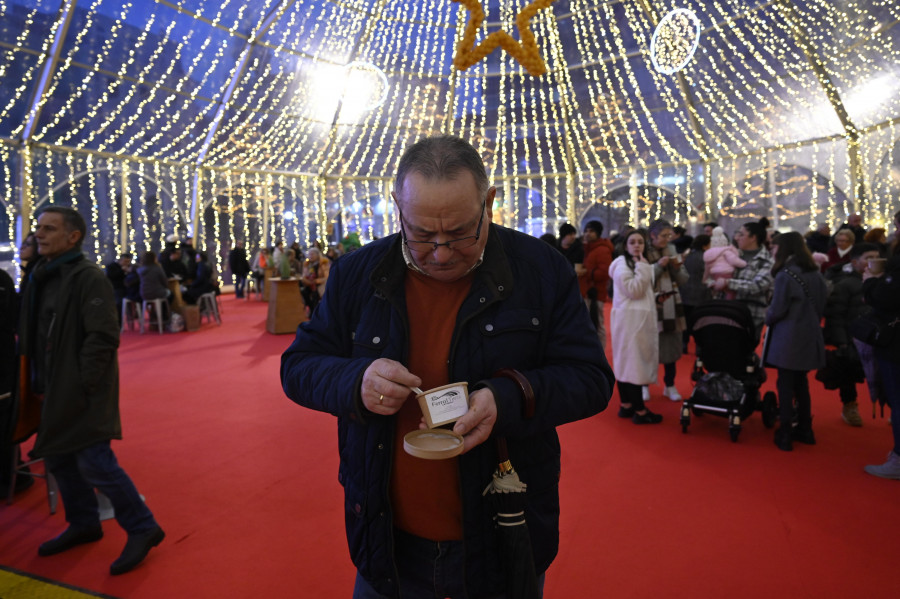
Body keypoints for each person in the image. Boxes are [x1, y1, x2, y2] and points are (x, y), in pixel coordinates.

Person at [280, 135, 613, 598]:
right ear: (397, 206)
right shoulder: (358, 273)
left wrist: (507, 398)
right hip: (386, 540)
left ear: (489, 203)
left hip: (505, 536)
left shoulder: (540, 270)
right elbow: (298, 366)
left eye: (460, 233)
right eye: (421, 234)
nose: (440, 252)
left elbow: (591, 379)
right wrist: (356, 380)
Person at [18, 206, 164, 574]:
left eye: (49, 229)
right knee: (60, 459)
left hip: (82, 388)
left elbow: (102, 337)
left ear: (73, 236)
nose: (39, 234)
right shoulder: (40, 275)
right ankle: (84, 523)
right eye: (39, 228)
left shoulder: (87, 277)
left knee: (94, 462)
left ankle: (143, 527)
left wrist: (84, 384)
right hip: (50, 385)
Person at [763, 231, 828, 452]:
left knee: (785, 384)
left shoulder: (785, 274)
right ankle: (805, 429)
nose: (772, 250)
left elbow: (777, 310)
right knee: (801, 383)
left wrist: (767, 317)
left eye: (774, 246)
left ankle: (785, 433)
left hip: (788, 336)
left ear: (783, 249)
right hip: (810, 333)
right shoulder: (815, 272)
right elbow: (821, 304)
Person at [822, 243, 884, 427]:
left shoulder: (886, 282)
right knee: (849, 375)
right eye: (869, 258)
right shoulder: (846, 284)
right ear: (856, 262)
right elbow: (837, 315)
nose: (874, 261)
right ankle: (850, 406)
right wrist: (841, 340)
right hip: (852, 337)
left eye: (877, 257)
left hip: (879, 337)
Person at [609, 229, 662, 424]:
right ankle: (639, 411)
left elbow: (639, 292)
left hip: (633, 319)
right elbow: (634, 290)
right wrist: (644, 268)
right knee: (634, 364)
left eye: (640, 242)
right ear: (625, 245)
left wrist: (656, 297)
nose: (637, 245)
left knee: (626, 363)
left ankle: (627, 405)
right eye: (632, 242)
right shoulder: (624, 265)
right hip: (631, 322)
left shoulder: (635, 263)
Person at [861, 236, 900, 478]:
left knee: (898, 399)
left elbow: (885, 298)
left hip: (895, 342)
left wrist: (870, 283)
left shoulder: (895, 268)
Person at [646, 219, 688, 401]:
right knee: (647, 347)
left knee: (671, 346)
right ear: (652, 235)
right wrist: (658, 267)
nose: (667, 239)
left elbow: (684, 279)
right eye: (664, 236)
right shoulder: (644, 251)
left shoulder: (671, 249)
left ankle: (669, 385)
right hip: (649, 305)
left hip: (672, 303)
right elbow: (640, 279)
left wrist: (676, 268)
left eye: (669, 235)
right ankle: (644, 384)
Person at [713, 219, 773, 343]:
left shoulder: (766, 261)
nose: (736, 237)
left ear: (753, 238)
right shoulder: (732, 255)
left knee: (743, 354)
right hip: (725, 312)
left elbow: (757, 286)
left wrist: (728, 283)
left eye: (741, 234)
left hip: (750, 316)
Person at [579, 220, 614, 351]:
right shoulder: (588, 248)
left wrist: (587, 273)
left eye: (591, 231)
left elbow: (605, 272)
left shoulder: (602, 249)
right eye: (586, 231)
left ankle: (600, 352)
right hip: (586, 291)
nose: (588, 234)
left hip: (596, 293)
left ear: (598, 233)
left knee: (598, 323)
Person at [680, 234, 712, 352]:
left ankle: (684, 343)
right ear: (705, 245)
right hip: (702, 294)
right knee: (700, 321)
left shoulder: (687, 256)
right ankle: (699, 345)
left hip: (685, 292)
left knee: (686, 321)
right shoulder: (706, 257)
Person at [703, 227, 746, 300]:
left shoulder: (709, 253)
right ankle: (729, 302)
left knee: (719, 292)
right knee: (730, 291)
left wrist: (706, 278)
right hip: (726, 273)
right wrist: (744, 264)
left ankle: (715, 286)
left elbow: (707, 267)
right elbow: (734, 260)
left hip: (715, 274)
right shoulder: (726, 251)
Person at [299, 247, 329, 313]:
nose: (310, 256)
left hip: (321, 284)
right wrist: (306, 280)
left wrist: (315, 281)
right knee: (304, 292)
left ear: (317, 255)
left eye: (312, 254)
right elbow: (304, 275)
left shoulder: (323, 263)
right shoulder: (307, 264)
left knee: (316, 294)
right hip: (310, 284)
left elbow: (327, 277)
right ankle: (311, 309)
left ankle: (316, 312)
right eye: (309, 254)